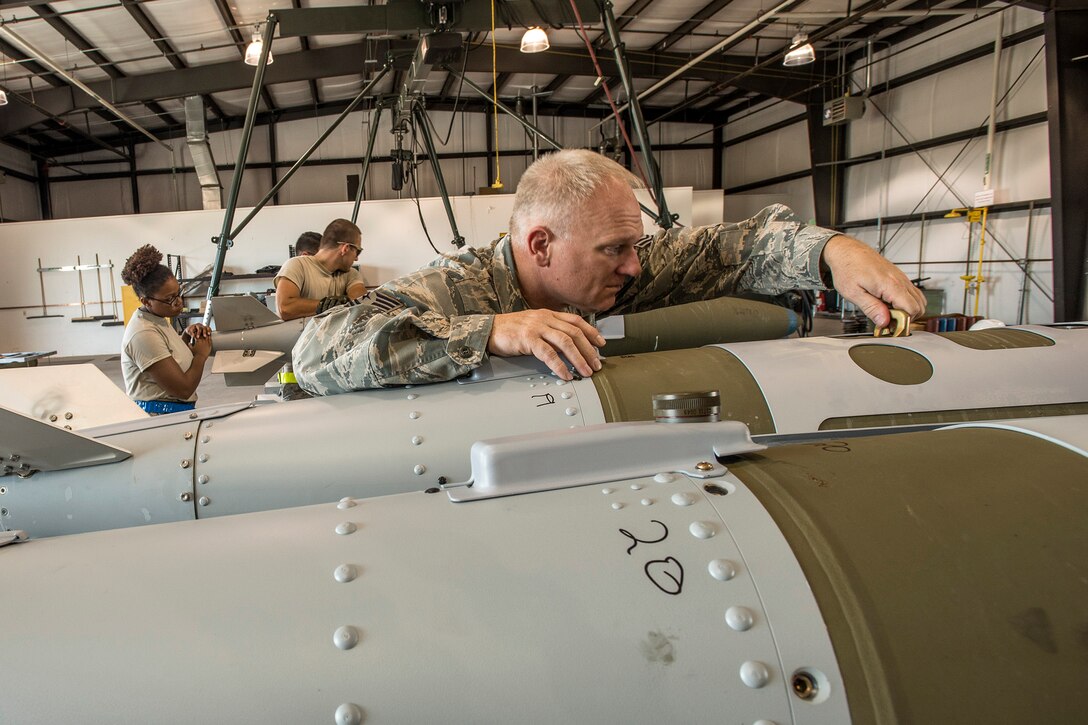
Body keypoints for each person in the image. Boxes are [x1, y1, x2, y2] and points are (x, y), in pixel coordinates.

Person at [294, 149, 926, 394]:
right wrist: (489, 333)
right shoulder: (457, 287)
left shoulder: (621, 268)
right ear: (540, 245)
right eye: (613, 249)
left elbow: (734, 247)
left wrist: (832, 252)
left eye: (635, 245)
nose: (635, 265)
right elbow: (318, 348)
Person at [120, 245, 212, 414]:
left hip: (173, 414)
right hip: (158, 417)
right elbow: (183, 389)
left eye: (178, 293)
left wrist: (184, 338)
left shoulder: (157, 320)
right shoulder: (143, 333)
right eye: (170, 299)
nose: (178, 302)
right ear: (146, 301)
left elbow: (171, 357)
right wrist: (200, 355)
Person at [275, 219, 368, 321]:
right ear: (345, 248)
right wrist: (327, 305)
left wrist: (337, 304)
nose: (356, 258)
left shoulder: (351, 274)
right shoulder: (297, 265)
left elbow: (361, 301)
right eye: (357, 251)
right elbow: (285, 308)